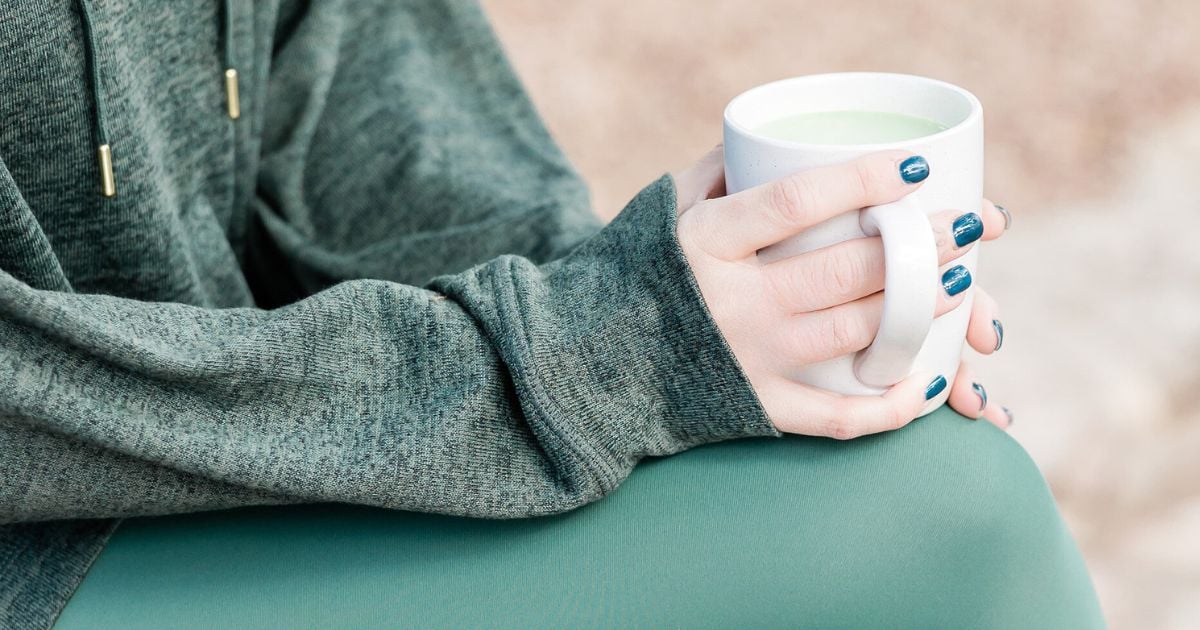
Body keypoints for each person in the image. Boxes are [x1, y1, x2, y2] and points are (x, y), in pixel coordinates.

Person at [0, 1, 1102, 628]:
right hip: (45, 556)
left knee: (910, 475)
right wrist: (579, 355)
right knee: (961, 514)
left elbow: (358, 90)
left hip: (247, 469)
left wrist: (734, 320)